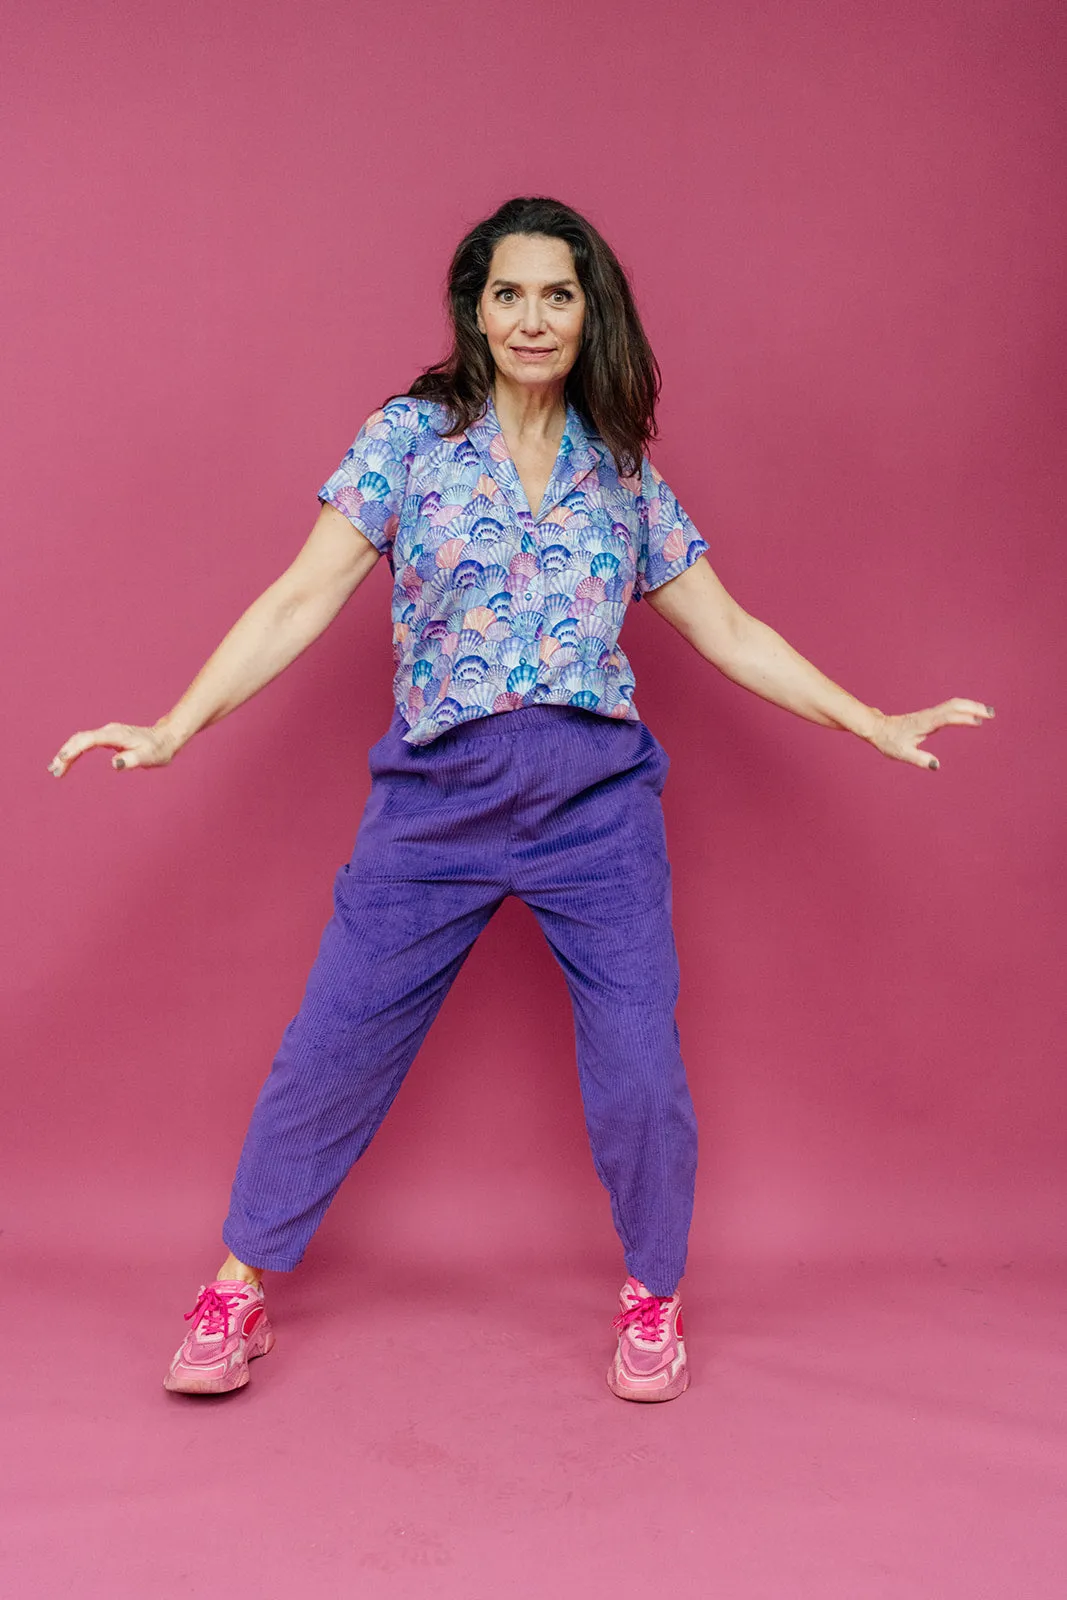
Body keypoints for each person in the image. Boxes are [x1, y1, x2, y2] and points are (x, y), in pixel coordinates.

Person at [48, 195, 993, 1403]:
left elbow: (730, 628)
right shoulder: (407, 441)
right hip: (433, 801)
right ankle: (238, 1287)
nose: (531, 316)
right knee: (329, 1051)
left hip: (594, 807)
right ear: (475, 310)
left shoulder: (621, 469)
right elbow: (299, 597)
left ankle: (652, 1295)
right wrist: (177, 722)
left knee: (640, 1067)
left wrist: (869, 718)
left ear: (587, 307)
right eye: (508, 293)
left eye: (556, 293)